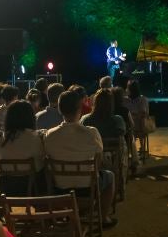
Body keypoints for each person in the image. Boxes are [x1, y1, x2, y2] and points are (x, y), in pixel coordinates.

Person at [45, 90, 117, 227]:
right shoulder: (91, 133)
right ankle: (104, 217)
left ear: (60, 109)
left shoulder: (50, 135)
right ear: (80, 109)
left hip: (60, 188)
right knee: (110, 176)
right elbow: (99, 159)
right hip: (87, 188)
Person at [0, 100, 45, 195]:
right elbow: (41, 160)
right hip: (31, 188)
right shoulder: (34, 137)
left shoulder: (3, 138)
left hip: (6, 188)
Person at [125, 79, 150, 154]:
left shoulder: (141, 99)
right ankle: (141, 146)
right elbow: (145, 113)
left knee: (137, 122)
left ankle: (130, 148)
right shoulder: (143, 99)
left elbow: (144, 113)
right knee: (137, 122)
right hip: (137, 126)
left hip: (133, 126)